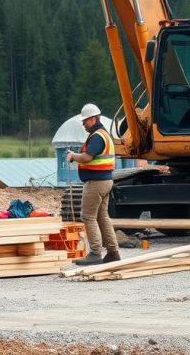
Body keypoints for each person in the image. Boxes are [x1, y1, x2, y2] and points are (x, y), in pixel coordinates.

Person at [67, 103, 120, 266]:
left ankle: (95, 253)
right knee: (102, 216)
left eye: (85, 121)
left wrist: (73, 156)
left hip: (96, 183)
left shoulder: (97, 136)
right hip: (106, 181)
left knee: (88, 216)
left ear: (94, 119)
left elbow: (87, 157)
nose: (83, 124)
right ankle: (113, 252)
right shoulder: (105, 135)